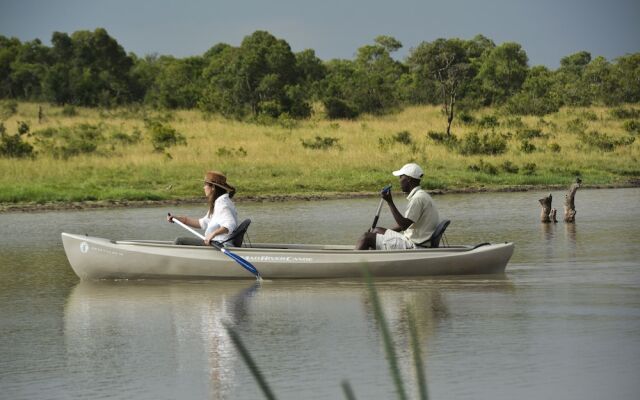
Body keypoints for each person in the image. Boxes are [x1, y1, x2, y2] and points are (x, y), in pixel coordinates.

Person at [356, 163, 440, 250]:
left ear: (408, 179)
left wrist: (390, 202)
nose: (399, 180)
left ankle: (356, 261)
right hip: (412, 239)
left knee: (366, 238)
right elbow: (403, 225)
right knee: (376, 231)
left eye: (401, 177)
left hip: (414, 244)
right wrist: (385, 235)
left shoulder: (417, 199)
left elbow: (404, 226)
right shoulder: (422, 195)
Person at [168, 171, 238, 246]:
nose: (203, 187)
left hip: (220, 244)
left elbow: (230, 224)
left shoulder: (222, 204)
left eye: (205, 185)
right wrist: (178, 219)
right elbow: (202, 223)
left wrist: (213, 234)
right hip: (216, 243)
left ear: (213, 187)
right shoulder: (218, 203)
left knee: (179, 241)